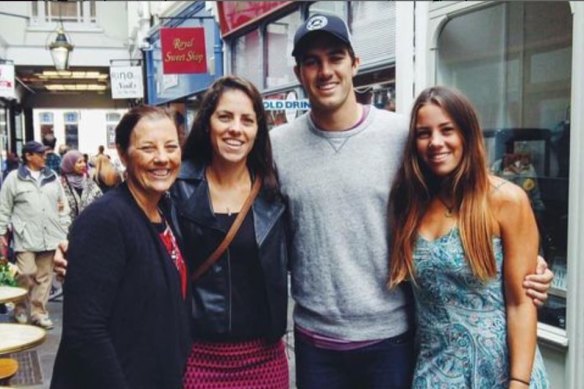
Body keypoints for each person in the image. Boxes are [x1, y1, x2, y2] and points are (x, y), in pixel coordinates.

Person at [269, 13, 553, 388]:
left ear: (355, 63)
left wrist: (527, 266)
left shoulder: (402, 134)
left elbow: (461, 197)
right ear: (298, 72)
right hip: (318, 343)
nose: (325, 71)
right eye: (312, 61)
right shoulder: (276, 148)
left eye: (336, 57)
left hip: (394, 340)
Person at [388, 86, 549, 388]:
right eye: (424, 133)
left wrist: (518, 381)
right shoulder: (410, 204)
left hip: (503, 373)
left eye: (446, 130)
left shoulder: (506, 200)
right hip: (434, 372)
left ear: (467, 133)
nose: (436, 142)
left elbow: (521, 303)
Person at [50, 106, 191, 389]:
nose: (162, 158)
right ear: (123, 153)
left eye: (171, 147)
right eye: (148, 148)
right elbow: (86, 333)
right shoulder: (106, 219)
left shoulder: (165, 209)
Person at [171, 75, 289, 387]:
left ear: (257, 131)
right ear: (207, 123)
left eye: (247, 120)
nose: (235, 128)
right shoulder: (175, 187)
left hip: (263, 358)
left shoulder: (274, 193)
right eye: (225, 116)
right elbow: (132, 226)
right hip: (196, 356)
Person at [0, 141, 70, 330]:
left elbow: (63, 205)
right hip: (25, 237)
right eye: (40, 154)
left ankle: (39, 313)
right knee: (26, 274)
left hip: (50, 235)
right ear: (28, 156)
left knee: (44, 277)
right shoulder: (14, 178)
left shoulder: (52, 177)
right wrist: (1, 232)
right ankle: (20, 308)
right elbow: (4, 207)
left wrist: (64, 229)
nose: (45, 157)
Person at [59, 149, 102, 224]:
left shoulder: (89, 182)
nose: (84, 164)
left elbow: (101, 202)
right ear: (70, 164)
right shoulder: (61, 184)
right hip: (67, 230)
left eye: (84, 161)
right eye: (79, 162)